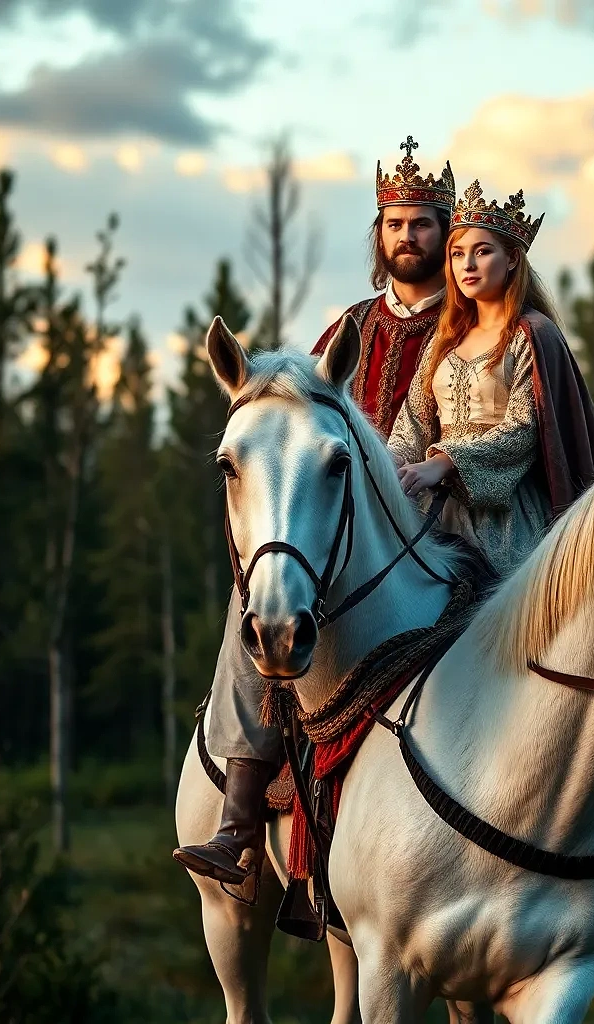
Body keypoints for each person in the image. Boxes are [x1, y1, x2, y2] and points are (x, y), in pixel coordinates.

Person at [173, 138, 456, 885]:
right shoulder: (346, 329)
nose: (407, 237)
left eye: (422, 224)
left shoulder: (471, 329)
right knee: (260, 594)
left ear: (445, 232)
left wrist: (442, 469)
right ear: (379, 235)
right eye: (394, 224)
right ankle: (239, 810)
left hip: (445, 522)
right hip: (338, 529)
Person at [388, 179, 594, 577]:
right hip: (433, 512)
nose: (467, 265)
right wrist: (386, 466)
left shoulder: (532, 334)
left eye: (482, 252)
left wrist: (445, 463)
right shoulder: (445, 338)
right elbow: (414, 421)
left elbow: (523, 431)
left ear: (511, 258)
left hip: (506, 518)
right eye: (457, 254)